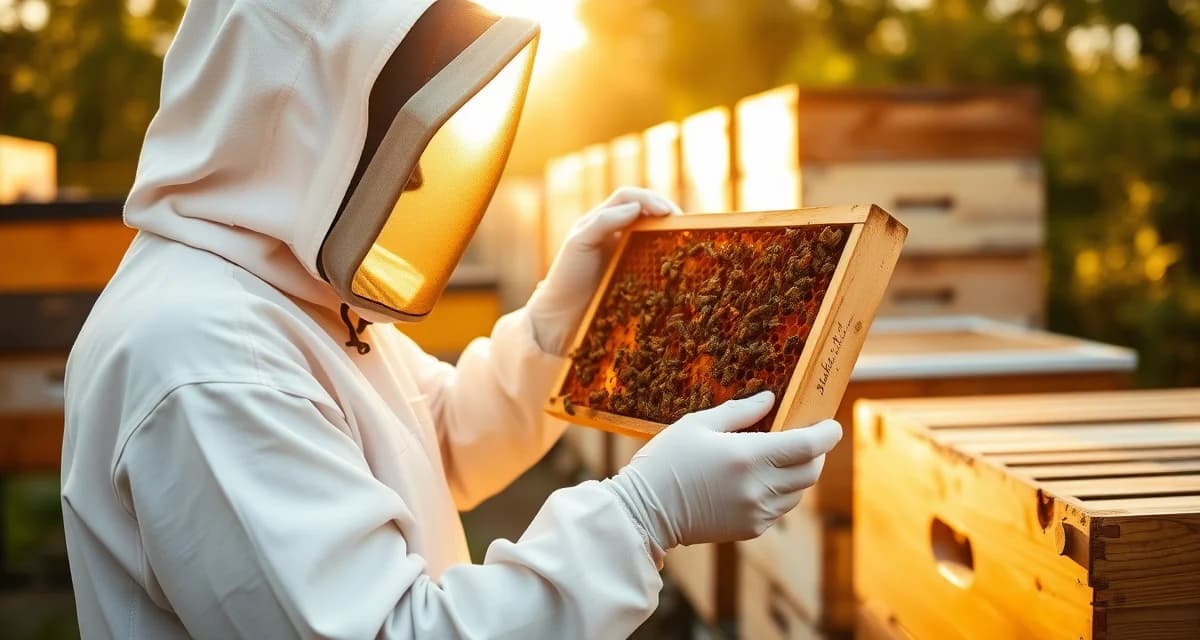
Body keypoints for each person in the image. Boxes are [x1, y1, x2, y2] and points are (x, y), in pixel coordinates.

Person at [60, 1, 842, 638]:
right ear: (302, 127)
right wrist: (641, 516)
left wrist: (554, 328)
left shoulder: (284, 292)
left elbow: (437, 442)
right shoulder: (209, 360)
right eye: (392, 132)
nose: (417, 175)